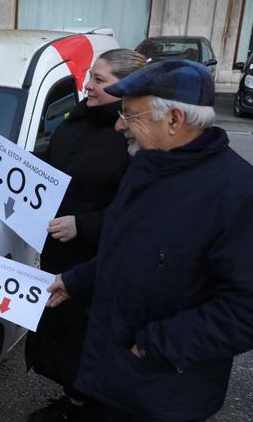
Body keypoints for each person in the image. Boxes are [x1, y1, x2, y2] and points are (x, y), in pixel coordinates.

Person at [47, 60, 253, 421]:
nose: (118, 125)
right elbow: (127, 250)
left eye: (130, 115)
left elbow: (245, 311)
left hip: (163, 394)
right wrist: (75, 281)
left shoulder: (238, 194)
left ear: (174, 119)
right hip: (115, 377)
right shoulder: (146, 166)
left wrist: (153, 347)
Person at [0, 49, 146, 421]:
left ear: (129, 87)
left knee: (96, 346)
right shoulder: (75, 122)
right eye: (91, 76)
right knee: (64, 341)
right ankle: (75, 400)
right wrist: (1, 162)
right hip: (60, 258)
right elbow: (50, 172)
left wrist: (83, 225)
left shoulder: (138, 137)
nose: (87, 85)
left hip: (102, 266)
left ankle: (96, 408)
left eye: (99, 80)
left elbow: (140, 214)